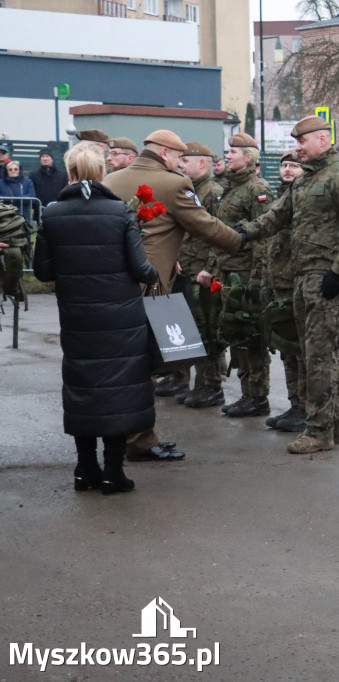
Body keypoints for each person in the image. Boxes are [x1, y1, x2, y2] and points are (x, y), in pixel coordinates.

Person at [105, 129, 247, 462]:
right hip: (151, 287)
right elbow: (206, 226)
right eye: (178, 158)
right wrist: (241, 240)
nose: (179, 164)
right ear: (166, 154)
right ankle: (138, 440)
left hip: (113, 285)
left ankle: (127, 435)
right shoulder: (173, 184)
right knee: (143, 368)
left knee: (122, 365)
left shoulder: (112, 180)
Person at [238, 116, 339, 454]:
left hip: (323, 280)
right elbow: (274, 218)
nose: (297, 148)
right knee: (323, 355)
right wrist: (240, 233)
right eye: (296, 142)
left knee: (319, 358)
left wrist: (338, 272)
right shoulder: (303, 181)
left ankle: (319, 432)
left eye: (303, 141)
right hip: (301, 277)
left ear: (324, 140)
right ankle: (338, 427)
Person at [32, 144, 160, 495]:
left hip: (77, 317)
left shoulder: (52, 214)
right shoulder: (120, 212)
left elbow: (43, 269)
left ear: (71, 173)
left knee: (84, 387)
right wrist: (156, 270)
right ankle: (112, 472)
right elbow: (140, 268)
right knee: (120, 389)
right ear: (102, 173)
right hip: (121, 318)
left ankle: (84, 467)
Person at [197, 133, 273, 418]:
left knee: (251, 335)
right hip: (227, 272)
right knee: (233, 332)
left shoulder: (258, 189)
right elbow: (220, 233)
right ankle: (246, 394)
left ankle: (257, 396)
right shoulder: (227, 188)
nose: (227, 156)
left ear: (249, 158)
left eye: (233, 153)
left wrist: (256, 278)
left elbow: (263, 236)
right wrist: (213, 267)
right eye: (228, 152)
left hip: (246, 273)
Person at [176, 142, 227, 409]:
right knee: (195, 330)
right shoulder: (190, 190)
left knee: (208, 330)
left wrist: (210, 267)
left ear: (202, 163)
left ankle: (212, 385)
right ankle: (201, 384)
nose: (180, 165)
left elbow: (219, 233)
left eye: (186, 161)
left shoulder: (213, 192)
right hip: (190, 268)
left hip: (204, 273)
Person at [263, 150, 308, 434]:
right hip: (278, 281)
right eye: (284, 166)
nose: (288, 170)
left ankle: (306, 407)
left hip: (297, 281)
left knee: (302, 351)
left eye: (294, 165)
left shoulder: (303, 197)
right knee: (287, 349)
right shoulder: (282, 195)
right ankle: (295, 404)